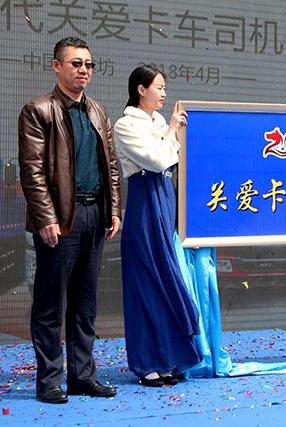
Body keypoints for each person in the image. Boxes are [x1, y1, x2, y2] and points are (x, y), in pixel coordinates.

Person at [18, 37, 121, 404]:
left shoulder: (98, 111)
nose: (84, 70)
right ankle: (49, 380)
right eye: (76, 63)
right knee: (50, 304)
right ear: (56, 66)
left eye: (88, 64)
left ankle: (82, 376)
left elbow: (111, 166)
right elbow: (32, 172)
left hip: (95, 214)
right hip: (59, 219)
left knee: (85, 302)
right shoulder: (38, 110)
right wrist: (45, 217)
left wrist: (114, 210)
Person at [114, 65, 201, 387]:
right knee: (146, 284)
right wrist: (171, 133)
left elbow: (173, 160)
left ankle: (167, 359)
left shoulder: (160, 123)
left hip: (165, 198)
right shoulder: (125, 124)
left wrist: (170, 132)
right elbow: (157, 160)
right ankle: (146, 362)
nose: (164, 93)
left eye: (165, 88)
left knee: (167, 279)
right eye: (159, 87)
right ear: (141, 89)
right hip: (144, 201)